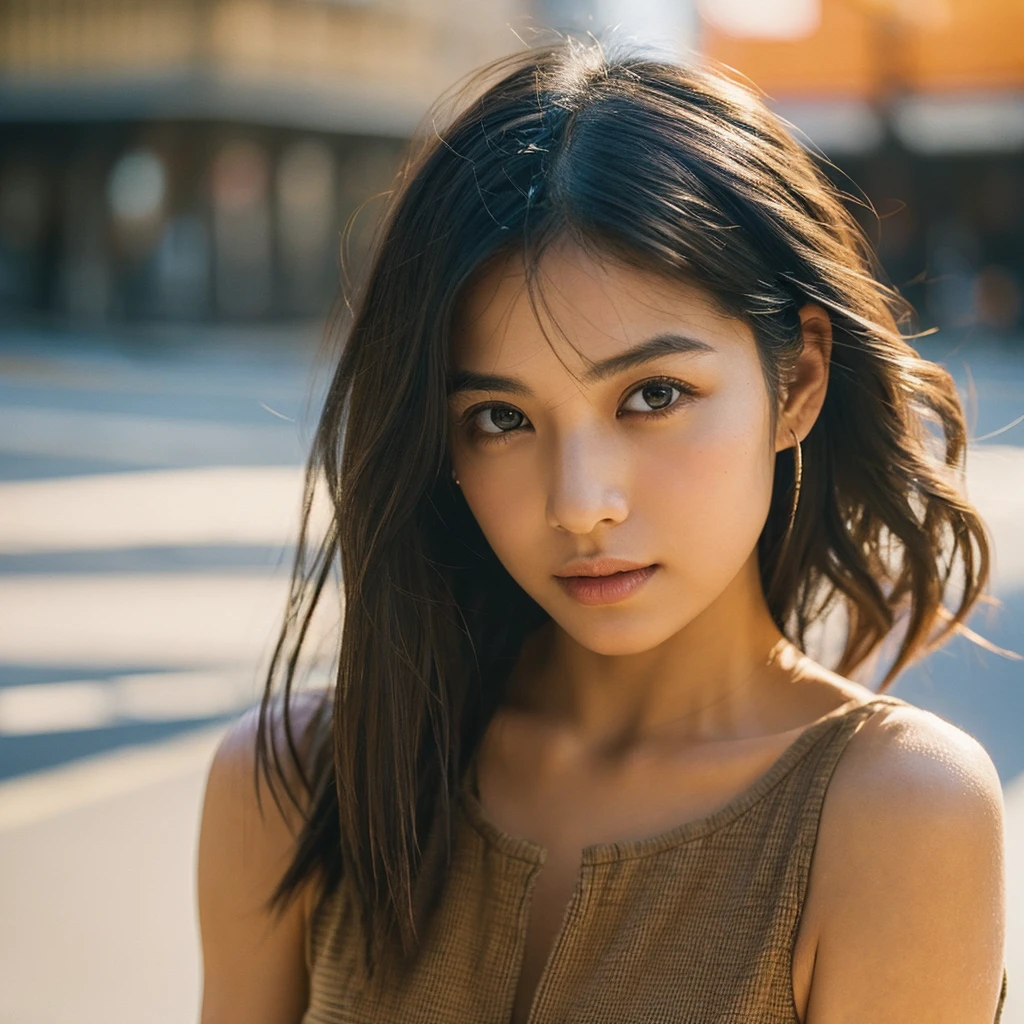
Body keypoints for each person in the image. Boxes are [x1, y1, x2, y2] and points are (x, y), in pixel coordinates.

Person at [196, 40, 1009, 1023]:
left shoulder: (894, 816)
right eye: (500, 417)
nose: (580, 503)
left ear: (794, 381)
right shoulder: (297, 784)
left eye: (652, 394)